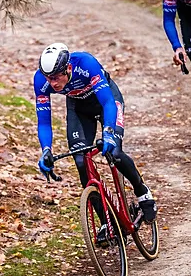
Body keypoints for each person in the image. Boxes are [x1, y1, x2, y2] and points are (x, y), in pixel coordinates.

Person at [33, 43, 157, 228]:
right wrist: (46, 150)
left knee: (114, 152)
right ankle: (107, 223)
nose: (53, 83)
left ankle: (142, 193)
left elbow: (108, 102)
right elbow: (44, 121)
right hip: (79, 109)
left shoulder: (85, 63)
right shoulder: (41, 81)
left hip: (106, 100)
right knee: (81, 162)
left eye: (56, 77)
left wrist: (108, 132)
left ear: (68, 68)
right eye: (48, 78)